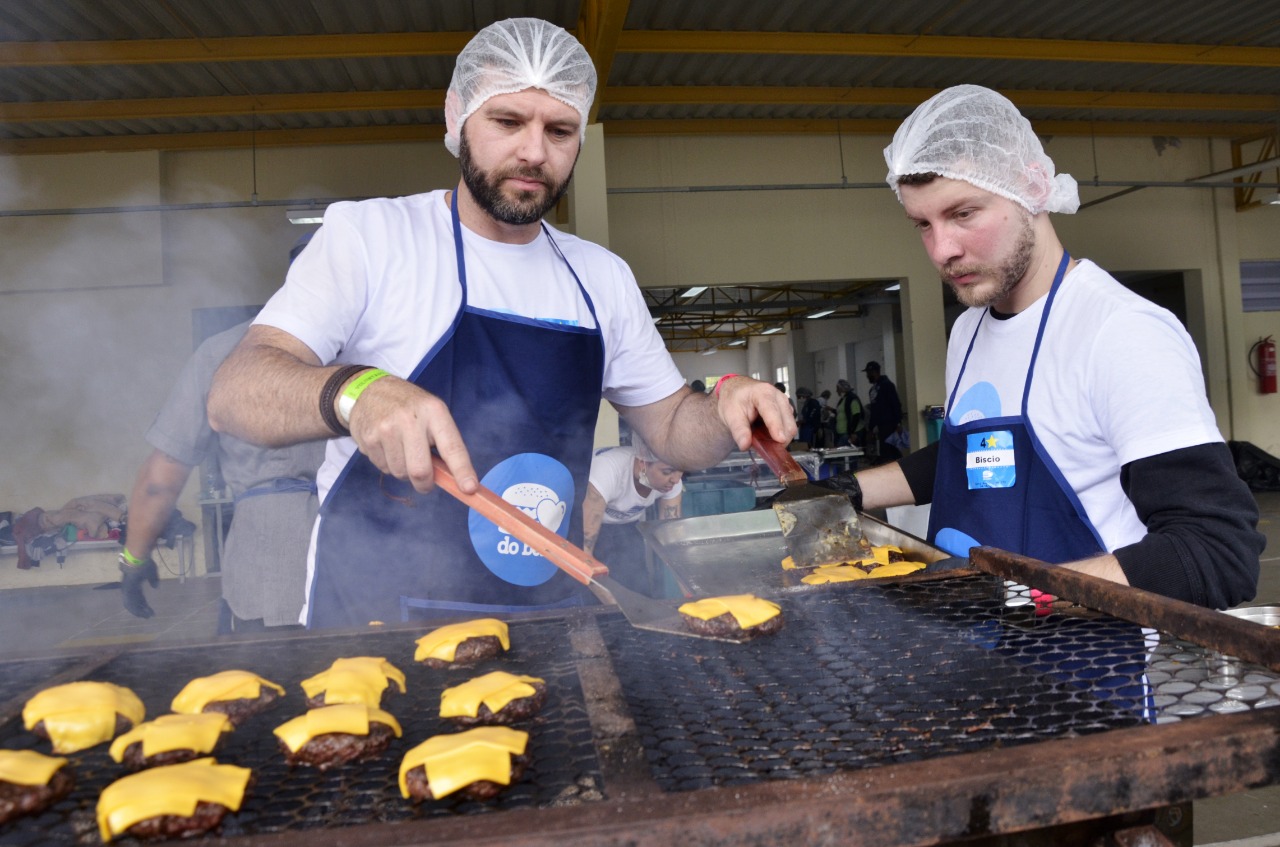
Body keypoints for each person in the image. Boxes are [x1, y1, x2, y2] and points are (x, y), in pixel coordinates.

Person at [206, 18, 795, 629]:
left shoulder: (601, 277)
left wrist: (726, 411)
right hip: (374, 626)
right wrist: (356, 392)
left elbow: (672, 426)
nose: (534, 152)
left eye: (559, 130)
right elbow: (235, 393)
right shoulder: (372, 238)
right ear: (458, 117)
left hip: (547, 628)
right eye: (508, 122)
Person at [851, 84, 1261, 608]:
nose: (942, 250)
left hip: (1085, 673)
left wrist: (1012, 596)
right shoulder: (968, 329)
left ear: (1032, 187)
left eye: (964, 214)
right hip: (973, 654)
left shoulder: (1120, 332)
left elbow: (1216, 553)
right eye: (923, 225)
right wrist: (848, 491)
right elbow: (974, 458)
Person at [119, 320, 326, 630]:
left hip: (269, 569)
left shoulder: (223, 350)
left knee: (268, 675)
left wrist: (134, 560)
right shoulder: (376, 338)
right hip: (370, 554)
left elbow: (159, 482)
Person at [581, 439, 683, 596]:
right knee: (594, 598)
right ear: (643, 464)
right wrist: (615, 605)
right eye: (667, 472)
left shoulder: (672, 480)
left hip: (627, 526)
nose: (675, 480)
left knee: (637, 585)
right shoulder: (607, 470)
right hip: (587, 527)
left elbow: (671, 541)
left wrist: (690, 593)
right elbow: (584, 559)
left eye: (680, 471)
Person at [863, 361, 903, 463]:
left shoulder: (887, 385)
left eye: (868, 373)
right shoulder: (873, 389)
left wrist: (898, 423)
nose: (867, 376)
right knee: (887, 450)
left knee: (889, 451)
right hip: (880, 426)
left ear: (875, 372)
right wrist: (871, 428)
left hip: (890, 424)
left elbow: (895, 404)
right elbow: (874, 410)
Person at [833, 379, 864, 449]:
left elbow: (856, 415)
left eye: (837, 389)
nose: (836, 391)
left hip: (849, 433)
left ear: (842, 389)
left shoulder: (852, 399)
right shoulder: (843, 399)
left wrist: (852, 432)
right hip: (842, 432)